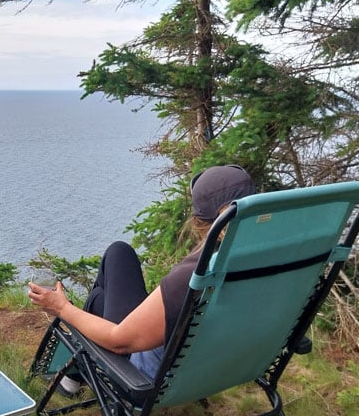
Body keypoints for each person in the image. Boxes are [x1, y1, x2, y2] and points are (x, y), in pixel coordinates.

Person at [27, 165, 256, 394]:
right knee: (118, 257)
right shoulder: (272, 259)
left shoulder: (197, 275)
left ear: (198, 222)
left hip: (146, 379)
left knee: (102, 289)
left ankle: (75, 372)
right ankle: (75, 373)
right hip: (222, 365)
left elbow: (119, 342)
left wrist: (61, 307)